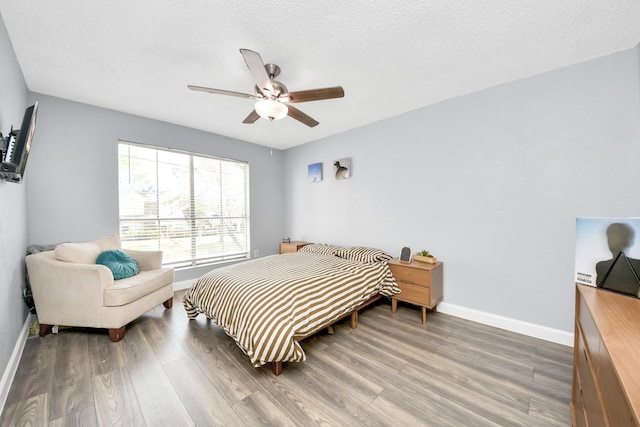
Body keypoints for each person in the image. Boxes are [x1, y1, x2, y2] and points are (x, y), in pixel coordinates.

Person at [595, 222, 640, 297]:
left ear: (628, 240)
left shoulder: (638, 265)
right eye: (610, 237)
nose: (613, 241)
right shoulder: (601, 266)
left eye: (618, 236)